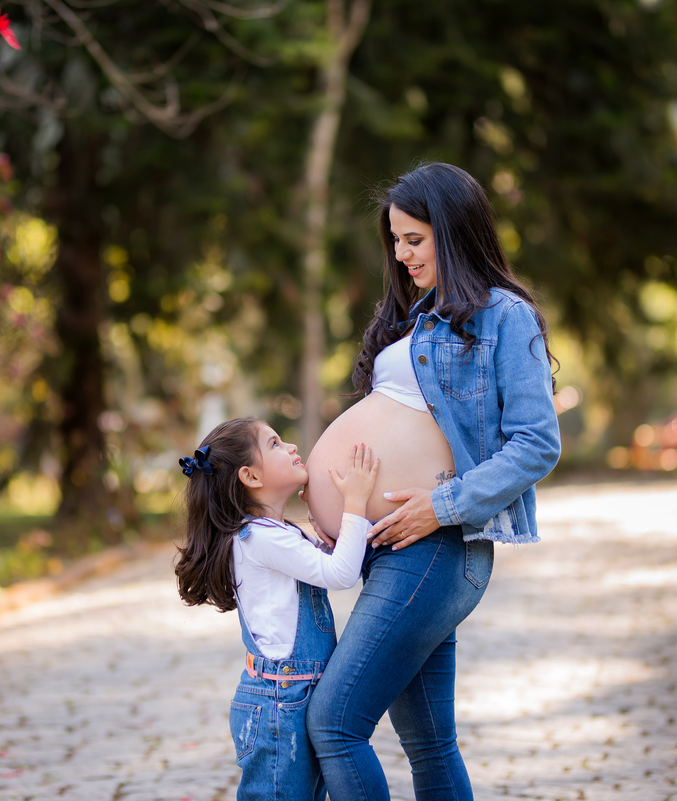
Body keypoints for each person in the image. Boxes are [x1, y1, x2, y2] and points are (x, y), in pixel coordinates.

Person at [302, 162, 561, 800]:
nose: (401, 254)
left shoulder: (504, 316)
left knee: (335, 723)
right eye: (395, 240)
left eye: (415, 239)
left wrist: (442, 505)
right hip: (392, 549)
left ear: (454, 231)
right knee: (430, 744)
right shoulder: (413, 318)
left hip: (436, 550)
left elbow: (536, 443)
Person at [174, 417, 380, 801]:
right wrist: (355, 501)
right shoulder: (260, 539)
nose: (290, 447)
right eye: (274, 444)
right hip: (279, 704)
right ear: (250, 476)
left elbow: (334, 562)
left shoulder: (276, 533)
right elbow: (341, 574)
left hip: (290, 696)